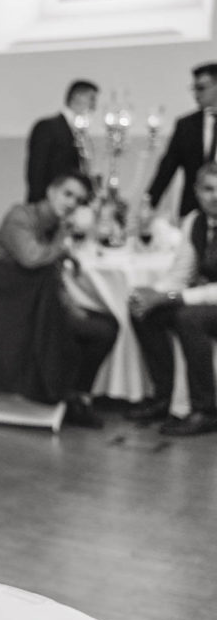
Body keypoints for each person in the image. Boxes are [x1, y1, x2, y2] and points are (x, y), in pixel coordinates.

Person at [0, 171, 118, 427]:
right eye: (67, 194)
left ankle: (76, 396)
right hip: (13, 307)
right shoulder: (20, 217)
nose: (71, 203)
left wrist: (71, 308)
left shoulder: (57, 226)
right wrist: (63, 243)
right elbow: (32, 258)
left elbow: (55, 280)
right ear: (51, 192)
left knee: (107, 324)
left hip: (42, 307)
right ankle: (70, 398)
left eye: (79, 200)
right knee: (99, 330)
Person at [126, 162, 217, 436]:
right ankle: (163, 395)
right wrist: (154, 294)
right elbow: (182, 271)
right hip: (205, 297)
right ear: (197, 191)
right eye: (209, 189)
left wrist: (173, 296)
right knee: (144, 311)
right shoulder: (194, 222)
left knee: (189, 318)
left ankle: (205, 409)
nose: (215, 196)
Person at [142, 62, 217, 221]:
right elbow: (167, 167)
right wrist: (149, 204)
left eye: (202, 88)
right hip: (193, 212)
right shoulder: (186, 125)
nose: (196, 94)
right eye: (194, 88)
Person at [26, 79, 98, 203]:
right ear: (77, 97)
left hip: (72, 207)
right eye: (91, 99)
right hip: (48, 206)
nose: (94, 106)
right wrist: (43, 207)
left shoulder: (82, 134)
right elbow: (36, 172)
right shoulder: (48, 127)